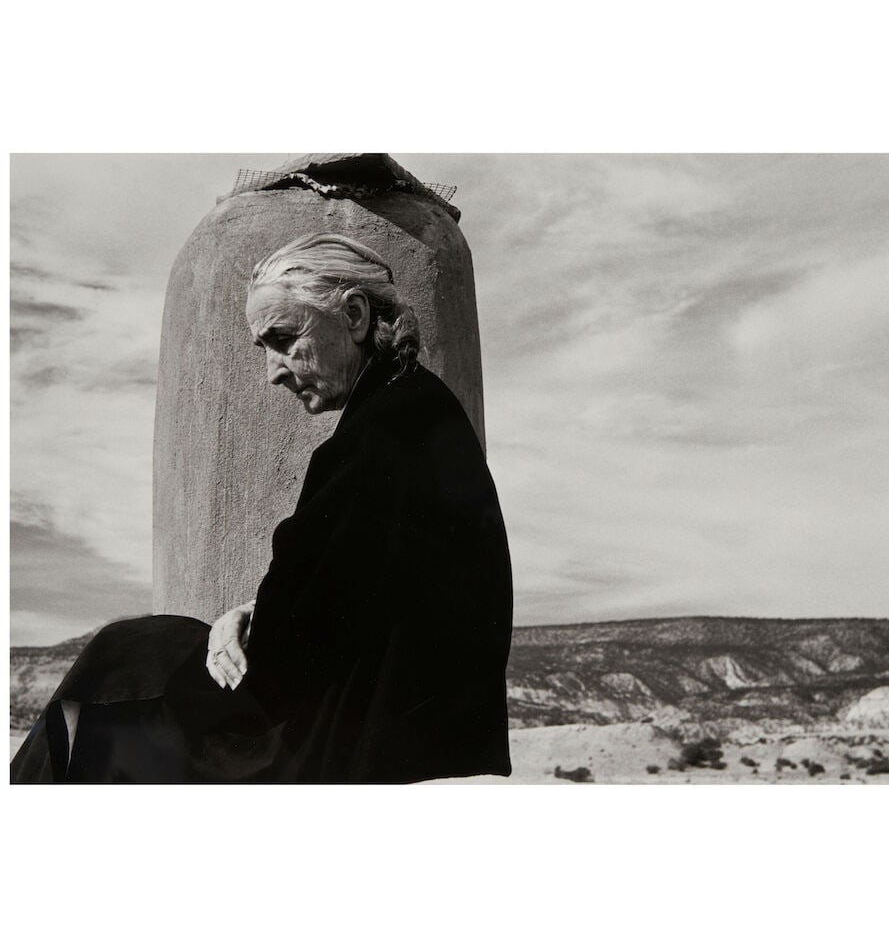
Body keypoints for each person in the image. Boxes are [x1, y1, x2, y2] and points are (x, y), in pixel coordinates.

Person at [11, 233, 513, 784]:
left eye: (284, 338)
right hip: (402, 727)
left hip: (339, 746)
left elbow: (279, 666)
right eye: (263, 348)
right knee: (143, 649)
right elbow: (349, 593)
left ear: (354, 314)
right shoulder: (419, 408)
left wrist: (237, 639)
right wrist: (256, 609)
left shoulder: (374, 442)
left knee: (111, 670)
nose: (273, 371)